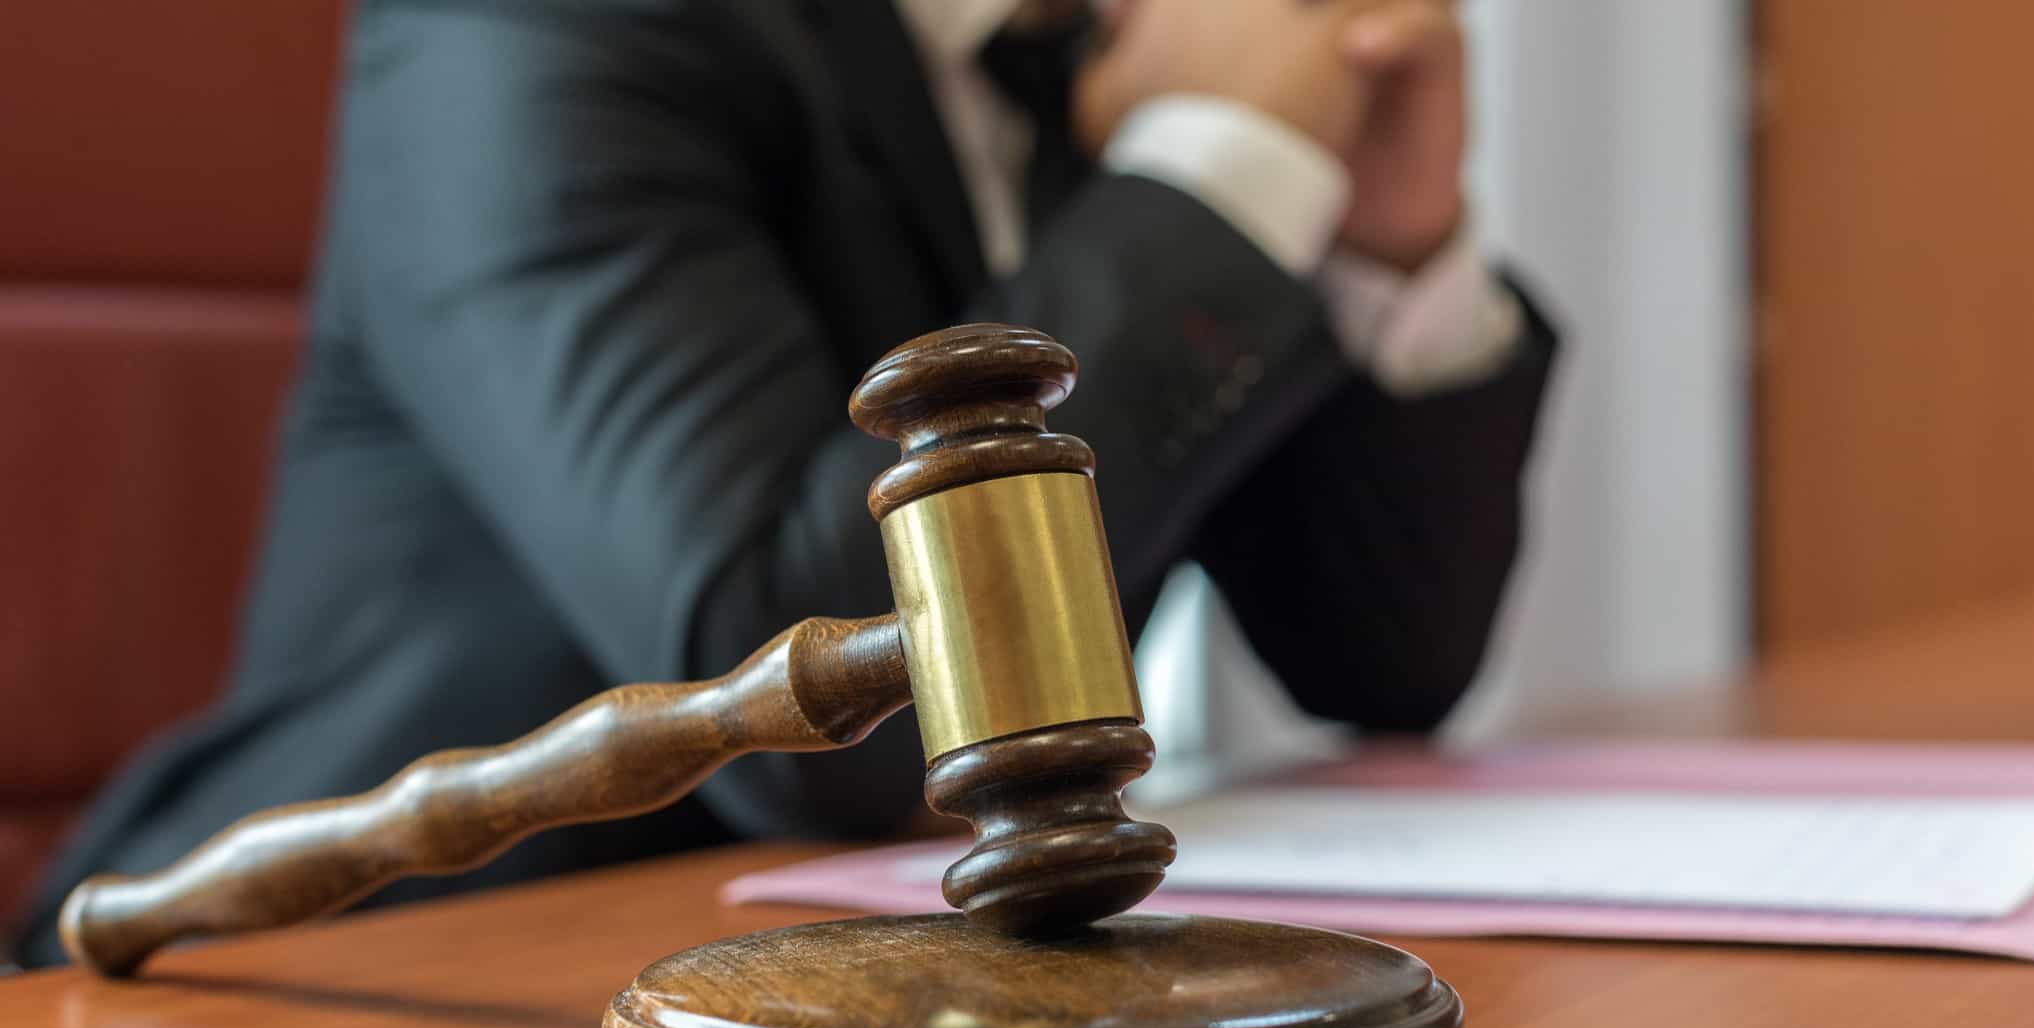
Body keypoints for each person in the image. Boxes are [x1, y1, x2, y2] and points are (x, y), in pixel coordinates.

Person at [16, 0, 1556, 965]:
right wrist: (1218, 163)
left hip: (861, 979)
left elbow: (1385, 660)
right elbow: (786, 682)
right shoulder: (529, 26)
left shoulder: (1106, 71)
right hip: (332, 976)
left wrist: (1388, 243)